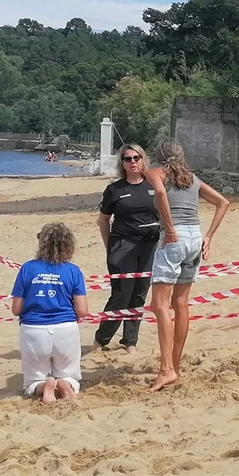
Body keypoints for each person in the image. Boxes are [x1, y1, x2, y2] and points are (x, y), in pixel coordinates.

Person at [146, 140, 230, 392]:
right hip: (195, 235)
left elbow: (160, 193)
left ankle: (166, 369)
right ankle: (175, 365)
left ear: (158, 156)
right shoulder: (191, 178)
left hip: (175, 238)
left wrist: (169, 227)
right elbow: (223, 203)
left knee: (159, 304)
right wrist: (209, 236)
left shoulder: (155, 172)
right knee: (180, 304)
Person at [9, 222, 90, 403]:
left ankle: (44, 386)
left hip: (33, 330)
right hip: (65, 328)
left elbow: (16, 309)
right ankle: (65, 384)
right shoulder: (73, 271)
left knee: (32, 381)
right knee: (70, 374)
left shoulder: (27, 268)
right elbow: (82, 311)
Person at [93, 143, 160, 353]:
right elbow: (103, 220)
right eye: (127, 158)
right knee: (122, 294)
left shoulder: (154, 185)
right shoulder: (115, 189)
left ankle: (130, 341)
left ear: (143, 159)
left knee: (139, 293)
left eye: (136, 157)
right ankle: (101, 340)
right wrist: (109, 247)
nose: (133, 162)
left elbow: (166, 211)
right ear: (121, 163)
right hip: (123, 245)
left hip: (149, 245)